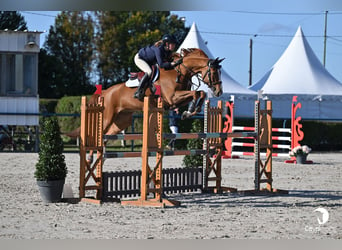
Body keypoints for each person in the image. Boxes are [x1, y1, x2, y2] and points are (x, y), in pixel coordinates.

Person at [133, 34, 183, 101]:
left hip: (150, 61)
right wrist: (172, 64)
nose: (174, 46)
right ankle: (138, 91)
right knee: (149, 72)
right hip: (140, 58)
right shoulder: (159, 49)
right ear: (167, 43)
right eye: (172, 44)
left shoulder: (168, 51)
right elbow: (161, 65)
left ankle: (157, 92)